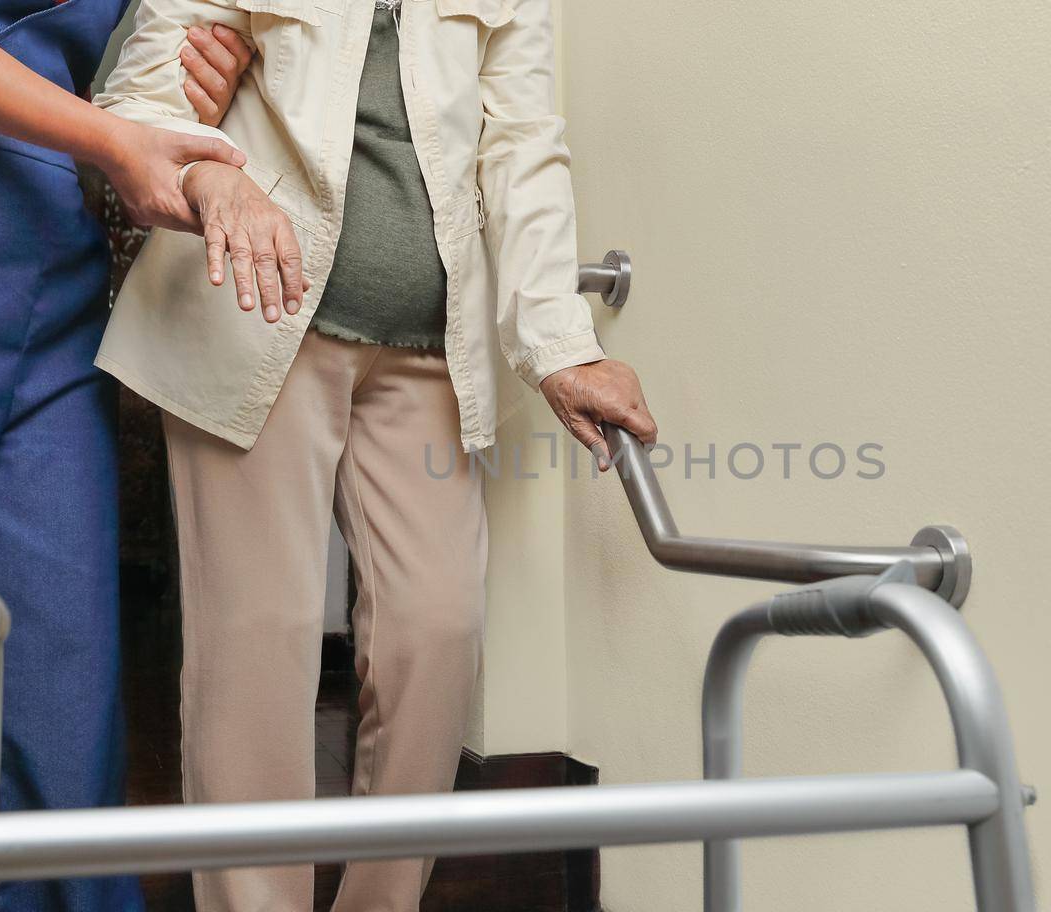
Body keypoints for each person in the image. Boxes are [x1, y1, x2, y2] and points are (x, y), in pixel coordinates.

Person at [92, 0, 658, 908]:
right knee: (255, 653)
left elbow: (523, 147)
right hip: (253, 312)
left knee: (438, 633)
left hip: (433, 352)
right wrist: (208, 182)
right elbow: (143, 89)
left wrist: (561, 347)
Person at [0, 3, 253, 909]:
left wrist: (182, 86)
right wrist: (114, 139)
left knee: (65, 710)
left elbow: (148, 52)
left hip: (50, 260)